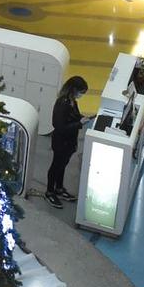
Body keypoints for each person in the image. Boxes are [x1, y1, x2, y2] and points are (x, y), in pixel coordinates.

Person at [47, 76, 89, 207]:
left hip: (69, 141)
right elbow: (59, 126)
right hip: (61, 142)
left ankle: (59, 188)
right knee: (56, 166)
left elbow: (74, 116)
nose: (81, 95)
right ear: (74, 89)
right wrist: (79, 123)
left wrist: (81, 118)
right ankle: (49, 191)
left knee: (63, 165)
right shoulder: (62, 103)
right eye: (80, 92)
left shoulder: (72, 102)